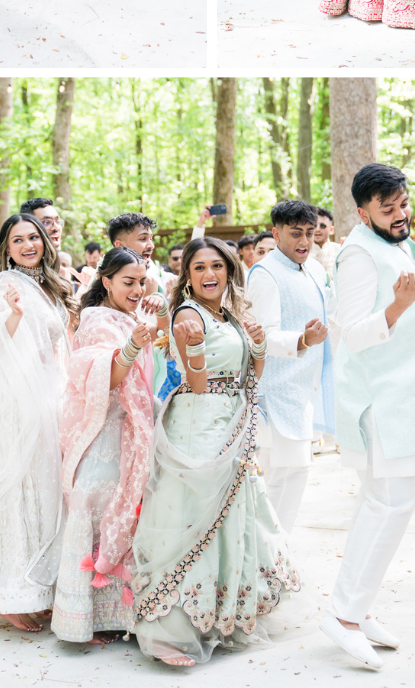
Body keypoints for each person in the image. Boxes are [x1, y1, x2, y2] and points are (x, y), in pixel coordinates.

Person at [131, 234, 298, 664]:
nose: (209, 274)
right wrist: (196, 350)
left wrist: (257, 344)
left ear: (229, 271)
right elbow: (198, 383)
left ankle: (223, 614)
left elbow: (250, 375)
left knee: (230, 516)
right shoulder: (187, 314)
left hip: (233, 420)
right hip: (199, 423)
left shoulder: (228, 313)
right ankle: (171, 631)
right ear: (187, 275)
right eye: (200, 267)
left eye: (217, 266)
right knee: (193, 514)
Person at [322, 163, 415, 670]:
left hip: (406, 395)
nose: (401, 214)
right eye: (389, 209)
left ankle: (355, 606)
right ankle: (344, 615)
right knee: (390, 503)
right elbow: (351, 335)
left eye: (404, 203)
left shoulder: (398, 243)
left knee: (383, 504)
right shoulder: (358, 254)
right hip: (379, 398)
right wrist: (398, 308)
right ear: (362, 212)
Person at [0, 214, 71, 631]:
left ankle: (35, 588)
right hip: (15, 404)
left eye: (33, 237)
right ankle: (9, 594)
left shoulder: (48, 283)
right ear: (5, 247)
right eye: (18, 239)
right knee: (19, 495)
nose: (28, 245)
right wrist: (14, 318)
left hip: (47, 395)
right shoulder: (6, 286)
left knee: (44, 494)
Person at [52, 247, 158, 646]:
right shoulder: (97, 319)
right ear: (107, 281)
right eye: (127, 282)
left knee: (122, 518)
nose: (135, 289)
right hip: (103, 437)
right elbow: (105, 376)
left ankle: (119, 616)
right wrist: (132, 344)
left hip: (126, 433)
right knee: (97, 516)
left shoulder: (129, 316)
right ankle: (83, 621)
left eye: (141, 281)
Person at [246, 198, 333, 532]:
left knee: (293, 477)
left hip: (302, 393)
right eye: (296, 233)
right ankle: (267, 561)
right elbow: (261, 336)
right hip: (274, 394)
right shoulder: (265, 273)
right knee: (277, 481)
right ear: (276, 232)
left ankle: (275, 558)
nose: (304, 242)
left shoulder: (315, 269)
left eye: (310, 233)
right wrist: (302, 340)